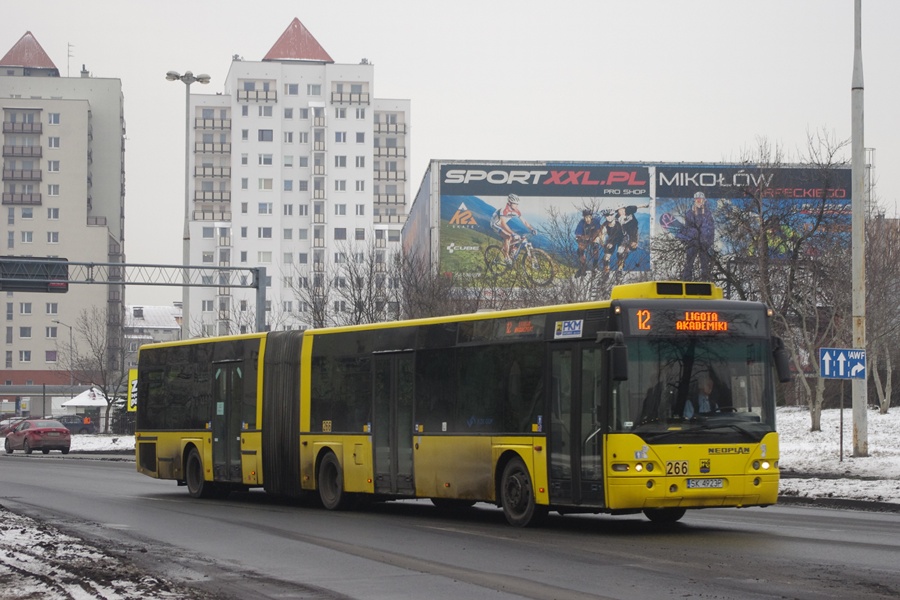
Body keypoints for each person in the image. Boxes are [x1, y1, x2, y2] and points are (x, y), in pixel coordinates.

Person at [678, 191, 715, 280]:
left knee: (705, 265)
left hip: (704, 243)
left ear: (704, 200)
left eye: (700, 199)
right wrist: (687, 240)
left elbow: (711, 229)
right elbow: (687, 228)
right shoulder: (689, 213)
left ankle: (705, 282)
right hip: (693, 242)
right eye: (697, 199)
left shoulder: (708, 214)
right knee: (689, 264)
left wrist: (709, 242)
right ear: (694, 200)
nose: (699, 201)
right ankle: (687, 281)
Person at [490, 193, 536, 263]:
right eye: (515, 204)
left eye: (517, 204)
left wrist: (531, 228)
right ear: (509, 203)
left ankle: (508, 250)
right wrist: (512, 233)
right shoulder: (504, 209)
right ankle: (506, 257)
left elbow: (524, 222)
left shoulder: (516, 210)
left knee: (516, 238)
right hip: (495, 224)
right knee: (508, 237)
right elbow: (503, 223)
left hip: (502, 225)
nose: (516, 205)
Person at [573, 209, 602, 276]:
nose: (587, 219)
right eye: (586, 217)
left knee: (595, 249)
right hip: (585, 238)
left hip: (594, 237)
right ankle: (583, 268)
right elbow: (578, 234)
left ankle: (595, 267)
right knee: (580, 251)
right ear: (584, 218)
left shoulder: (595, 221)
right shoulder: (582, 223)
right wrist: (583, 239)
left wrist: (596, 237)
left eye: (589, 217)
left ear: (591, 217)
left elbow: (599, 231)